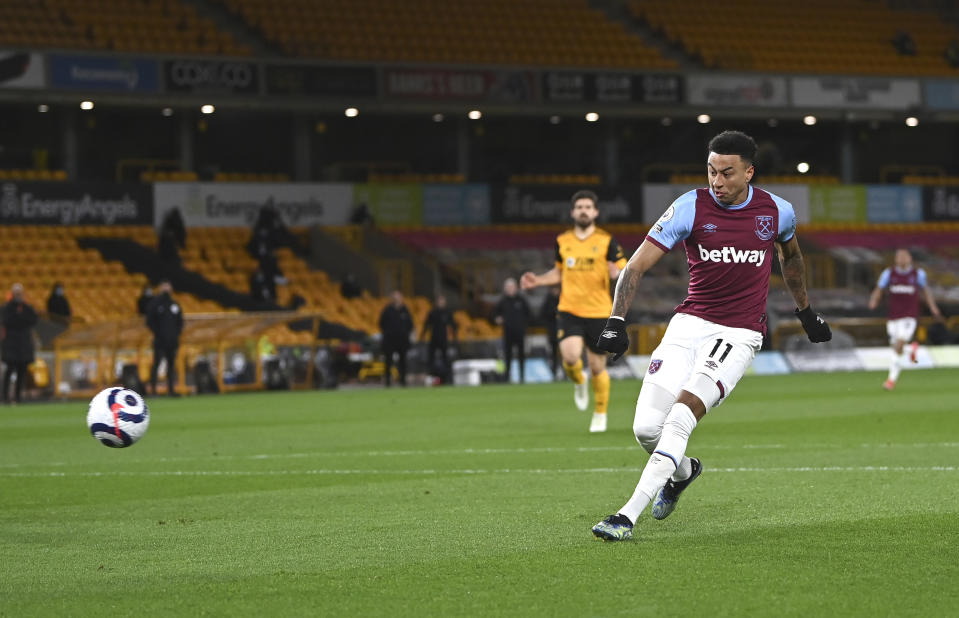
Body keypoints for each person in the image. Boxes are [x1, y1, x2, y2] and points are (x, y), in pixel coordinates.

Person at [590, 130, 832, 541]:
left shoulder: (777, 212)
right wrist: (615, 320)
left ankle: (626, 516)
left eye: (726, 173)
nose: (716, 181)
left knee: (681, 418)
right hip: (688, 325)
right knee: (647, 429)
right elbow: (634, 266)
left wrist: (805, 312)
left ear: (748, 172)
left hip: (738, 333)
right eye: (711, 171)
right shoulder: (690, 206)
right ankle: (683, 473)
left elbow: (791, 258)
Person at [521, 190, 627, 432]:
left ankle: (600, 413)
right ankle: (579, 381)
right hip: (569, 309)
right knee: (570, 358)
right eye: (579, 207)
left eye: (588, 207)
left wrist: (617, 272)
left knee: (598, 367)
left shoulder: (607, 241)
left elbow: (623, 268)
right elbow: (559, 272)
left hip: (599, 311)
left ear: (596, 212)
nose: (583, 210)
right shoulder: (563, 241)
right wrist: (537, 281)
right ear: (572, 212)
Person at [867, 248, 943, 391]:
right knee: (896, 347)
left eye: (904, 256)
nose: (902, 259)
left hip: (909, 316)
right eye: (899, 257)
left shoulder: (918, 274)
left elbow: (926, 291)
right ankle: (911, 350)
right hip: (893, 316)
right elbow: (879, 288)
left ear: (910, 259)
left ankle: (890, 381)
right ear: (895, 259)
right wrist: (874, 300)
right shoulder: (889, 273)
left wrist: (933, 307)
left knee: (898, 345)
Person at [145, 280, 184, 396]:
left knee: (171, 366)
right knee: (157, 364)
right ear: (160, 288)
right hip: (160, 341)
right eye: (164, 286)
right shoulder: (155, 304)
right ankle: (153, 390)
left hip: (172, 341)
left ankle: (171, 390)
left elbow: (180, 322)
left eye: (168, 286)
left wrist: (175, 334)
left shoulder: (174, 304)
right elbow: (149, 321)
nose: (166, 289)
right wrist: (158, 333)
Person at [2, 283, 38, 404]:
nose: (18, 296)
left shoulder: (27, 308)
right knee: (10, 369)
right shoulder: (7, 308)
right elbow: (7, 320)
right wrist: (20, 318)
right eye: (16, 294)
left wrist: (20, 317)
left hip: (24, 345)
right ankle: (5, 397)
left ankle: (18, 397)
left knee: (22, 372)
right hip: (11, 345)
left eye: (20, 293)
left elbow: (33, 319)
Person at [492, 278, 531, 383]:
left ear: (516, 288)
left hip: (520, 332)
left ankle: (522, 377)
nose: (510, 289)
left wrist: (523, 324)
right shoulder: (502, 301)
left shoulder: (521, 300)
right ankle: (507, 377)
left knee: (521, 355)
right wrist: (497, 319)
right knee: (507, 355)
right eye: (508, 287)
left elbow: (529, 314)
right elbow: (494, 315)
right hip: (507, 333)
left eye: (512, 287)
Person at [378, 290, 413, 387]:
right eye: (394, 297)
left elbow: (410, 325)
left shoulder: (405, 310)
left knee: (403, 361)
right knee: (388, 361)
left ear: (401, 298)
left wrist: (405, 333)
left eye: (398, 297)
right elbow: (381, 323)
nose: (396, 299)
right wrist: (388, 332)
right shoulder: (387, 310)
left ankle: (403, 381)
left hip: (402, 340)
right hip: (390, 340)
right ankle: (388, 382)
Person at [421, 294, 457, 381]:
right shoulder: (433, 312)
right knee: (431, 358)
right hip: (434, 338)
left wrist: (455, 337)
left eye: (442, 301)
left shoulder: (447, 312)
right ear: (436, 302)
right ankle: (431, 376)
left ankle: (446, 377)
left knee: (445, 358)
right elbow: (427, 325)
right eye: (439, 301)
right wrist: (422, 336)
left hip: (443, 339)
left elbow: (453, 325)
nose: (441, 303)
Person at [539, 285, 561, 377]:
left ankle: (566, 372)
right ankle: (554, 372)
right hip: (553, 331)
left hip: (564, 330)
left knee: (566, 352)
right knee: (553, 352)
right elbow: (543, 314)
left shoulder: (564, 300)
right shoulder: (548, 301)